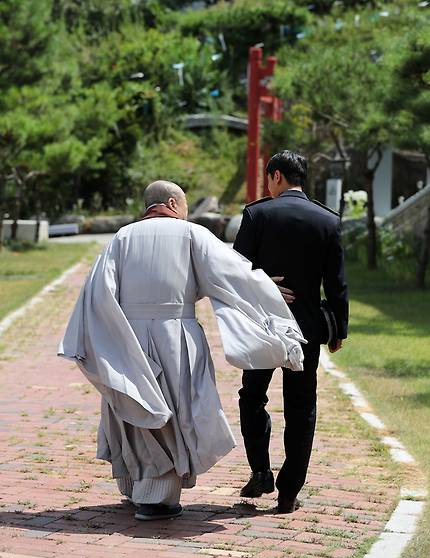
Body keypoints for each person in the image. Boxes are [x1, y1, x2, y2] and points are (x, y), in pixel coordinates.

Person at [59, 180, 306, 521]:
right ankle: (156, 498)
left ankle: (134, 486)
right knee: (174, 412)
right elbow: (233, 273)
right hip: (176, 334)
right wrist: (267, 288)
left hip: (127, 335)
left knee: (134, 404)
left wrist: (107, 340)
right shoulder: (192, 234)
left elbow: (99, 291)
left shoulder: (121, 238)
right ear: (173, 203)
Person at [233, 151, 349, 514]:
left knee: (252, 397)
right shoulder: (328, 221)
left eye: (270, 178)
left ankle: (260, 472)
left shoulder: (257, 214)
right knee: (302, 409)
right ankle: (289, 492)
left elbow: (235, 271)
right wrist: (338, 329)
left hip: (263, 326)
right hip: (306, 330)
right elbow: (337, 283)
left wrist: (263, 284)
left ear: (277, 176)